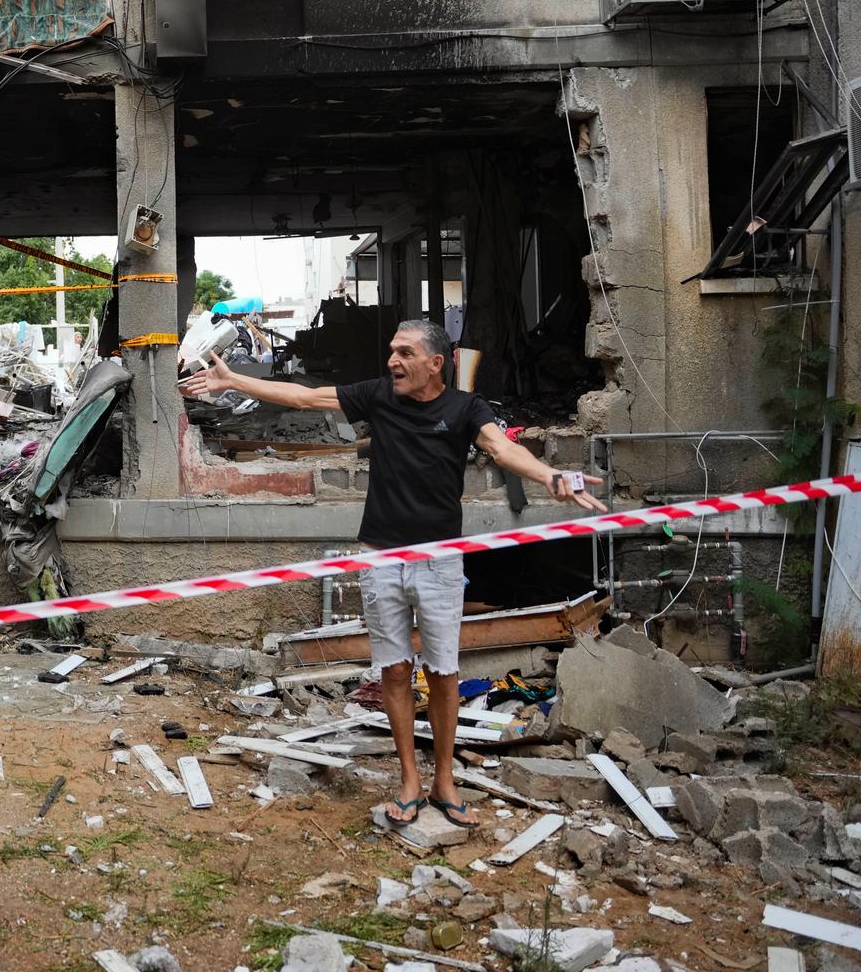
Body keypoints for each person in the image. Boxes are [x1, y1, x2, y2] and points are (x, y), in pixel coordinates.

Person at [180, 319, 603, 830]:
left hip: (441, 560)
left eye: (403, 353)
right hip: (380, 556)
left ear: (435, 363)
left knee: (445, 672)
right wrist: (236, 381)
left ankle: (444, 779)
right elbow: (305, 399)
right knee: (396, 672)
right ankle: (409, 780)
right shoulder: (380, 397)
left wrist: (553, 475)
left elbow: (504, 449)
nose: (391, 362)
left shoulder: (466, 408)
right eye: (391, 352)